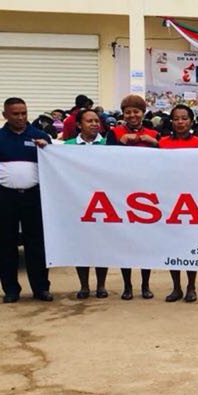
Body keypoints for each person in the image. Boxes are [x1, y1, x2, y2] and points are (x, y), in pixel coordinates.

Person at [0, 97, 52, 303]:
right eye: (15, 114)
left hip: (33, 196)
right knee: (6, 244)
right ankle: (10, 289)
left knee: (36, 244)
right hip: (5, 197)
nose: (20, 117)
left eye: (24, 113)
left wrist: (47, 149)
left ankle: (41, 288)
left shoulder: (41, 136)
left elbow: (54, 166)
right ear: (5, 115)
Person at [107, 94, 159, 300]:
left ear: (143, 113)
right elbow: (105, 159)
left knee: (145, 243)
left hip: (147, 195)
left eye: (136, 111)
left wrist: (153, 142)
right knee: (125, 242)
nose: (132, 115)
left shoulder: (154, 133)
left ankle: (145, 285)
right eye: (128, 112)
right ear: (123, 114)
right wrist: (120, 143)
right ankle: (127, 286)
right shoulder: (114, 132)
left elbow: (167, 160)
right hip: (122, 193)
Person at [159, 104, 198, 303]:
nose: (180, 122)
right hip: (169, 200)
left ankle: (191, 286)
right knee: (172, 245)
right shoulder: (161, 143)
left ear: (191, 121)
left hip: (193, 201)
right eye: (176, 118)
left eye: (184, 118)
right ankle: (176, 287)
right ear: (172, 121)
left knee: (190, 245)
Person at [64, 108, 110, 299]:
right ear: (78, 125)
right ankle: (84, 286)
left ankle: (101, 285)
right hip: (78, 201)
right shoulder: (67, 146)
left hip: (103, 202)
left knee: (102, 245)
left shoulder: (108, 145)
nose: (94, 124)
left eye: (96, 121)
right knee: (81, 245)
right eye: (89, 121)